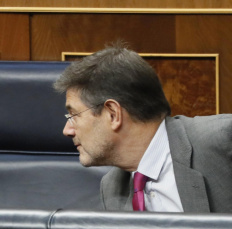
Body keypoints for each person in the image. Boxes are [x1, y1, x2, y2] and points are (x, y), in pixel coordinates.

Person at [54, 43, 232, 213]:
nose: (67, 130)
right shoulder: (112, 187)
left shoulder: (222, 139)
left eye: (74, 115)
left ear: (113, 114)